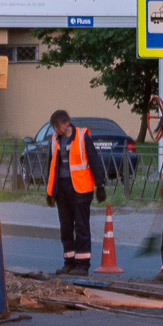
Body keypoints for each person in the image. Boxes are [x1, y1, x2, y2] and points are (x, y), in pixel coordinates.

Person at [44, 109, 107, 276]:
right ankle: (69, 263)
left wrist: (100, 184)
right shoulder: (55, 140)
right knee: (65, 227)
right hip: (61, 189)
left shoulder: (82, 136)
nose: (56, 130)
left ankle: (83, 265)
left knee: (81, 226)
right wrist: (50, 191)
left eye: (58, 127)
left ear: (67, 123)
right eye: (54, 128)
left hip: (81, 189)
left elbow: (94, 160)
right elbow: (51, 165)